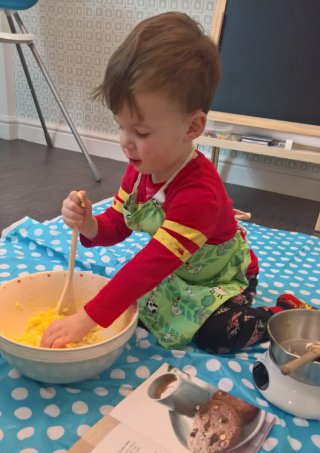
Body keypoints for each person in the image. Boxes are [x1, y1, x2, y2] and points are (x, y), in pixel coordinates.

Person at [41, 12, 315, 352]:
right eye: (120, 125)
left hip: (221, 280)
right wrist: (89, 223)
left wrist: (87, 318)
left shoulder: (199, 193)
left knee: (216, 335)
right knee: (131, 307)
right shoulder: (141, 164)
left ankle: (279, 313)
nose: (125, 141)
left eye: (140, 131)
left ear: (192, 127)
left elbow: (150, 264)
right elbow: (117, 226)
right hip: (180, 274)